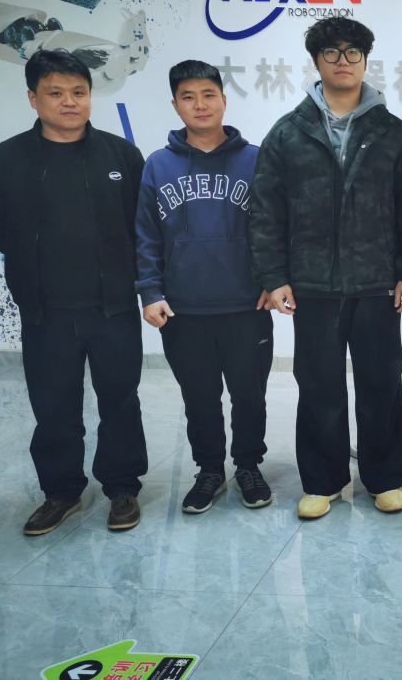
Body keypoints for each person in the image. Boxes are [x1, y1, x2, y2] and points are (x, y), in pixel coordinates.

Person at [248, 16, 402, 520]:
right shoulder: (288, 133)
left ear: (365, 60)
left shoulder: (392, 133)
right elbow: (264, 211)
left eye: (353, 52)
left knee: (380, 384)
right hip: (312, 286)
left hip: (378, 284)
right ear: (317, 62)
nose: (343, 61)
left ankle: (385, 479)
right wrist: (274, 277)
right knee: (319, 387)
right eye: (332, 53)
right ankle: (322, 481)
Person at [0, 49, 147, 534]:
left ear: (90, 96)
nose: (69, 101)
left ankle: (122, 488)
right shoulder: (6, 159)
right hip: (45, 310)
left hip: (113, 307)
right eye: (56, 93)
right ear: (33, 98)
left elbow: (141, 224)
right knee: (53, 407)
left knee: (120, 401)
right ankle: (61, 492)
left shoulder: (121, 155)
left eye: (78, 92)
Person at [135, 60, 275, 514]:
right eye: (188, 97)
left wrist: (273, 279)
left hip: (247, 305)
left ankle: (249, 466)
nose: (200, 104)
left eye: (208, 94)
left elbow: (276, 226)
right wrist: (150, 291)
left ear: (224, 100)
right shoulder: (158, 165)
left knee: (249, 396)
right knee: (199, 399)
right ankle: (210, 470)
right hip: (183, 309)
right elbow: (145, 234)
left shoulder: (256, 159)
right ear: (176, 105)